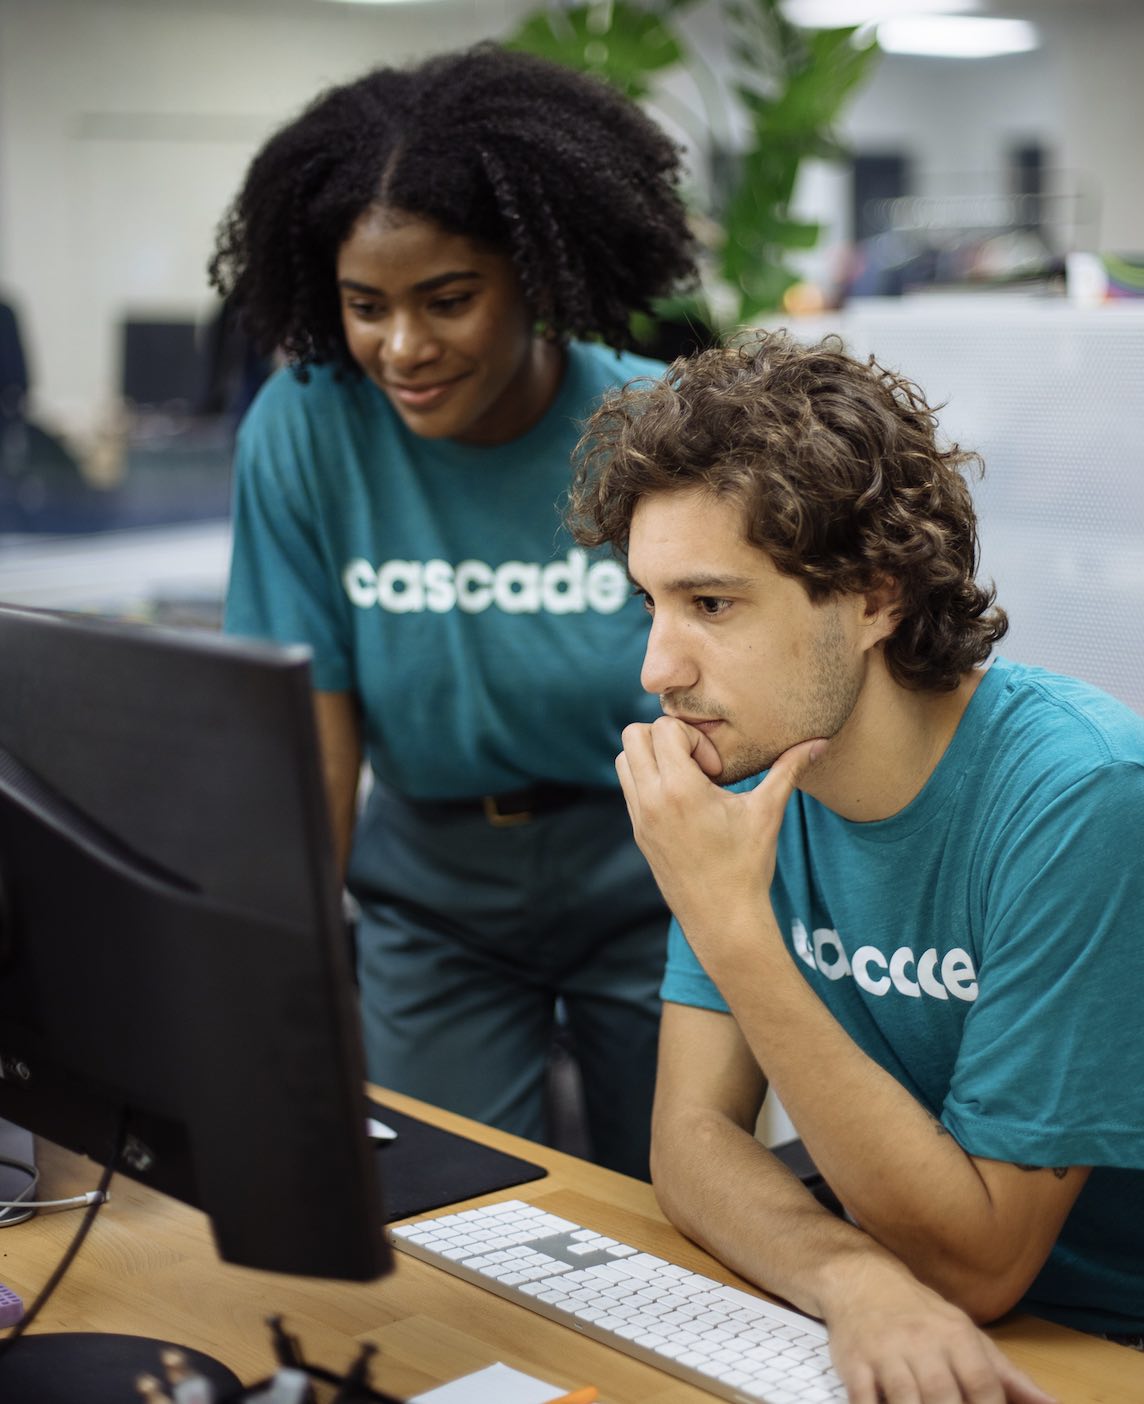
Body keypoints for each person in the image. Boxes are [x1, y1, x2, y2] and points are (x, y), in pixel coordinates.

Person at [567, 331, 1144, 1399]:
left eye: (711, 604)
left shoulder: (1081, 795)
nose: (657, 668)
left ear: (876, 598)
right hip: (906, 1306)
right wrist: (853, 1281)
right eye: (651, 603)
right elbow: (688, 1140)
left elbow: (981, 1266)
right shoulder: (750, 763)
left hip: (1100, 1345)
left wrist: (730, 923)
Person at [210, 44, 697, 1179]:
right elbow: (307, 727)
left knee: (680, 1201)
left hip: (653, 873)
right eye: (364, 306)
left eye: (448, 300)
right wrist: (286, 972)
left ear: (537, 276)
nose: (403, 348)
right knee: (445, 1209)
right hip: (431, 895)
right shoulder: (306, 426)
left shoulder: (651, 427)